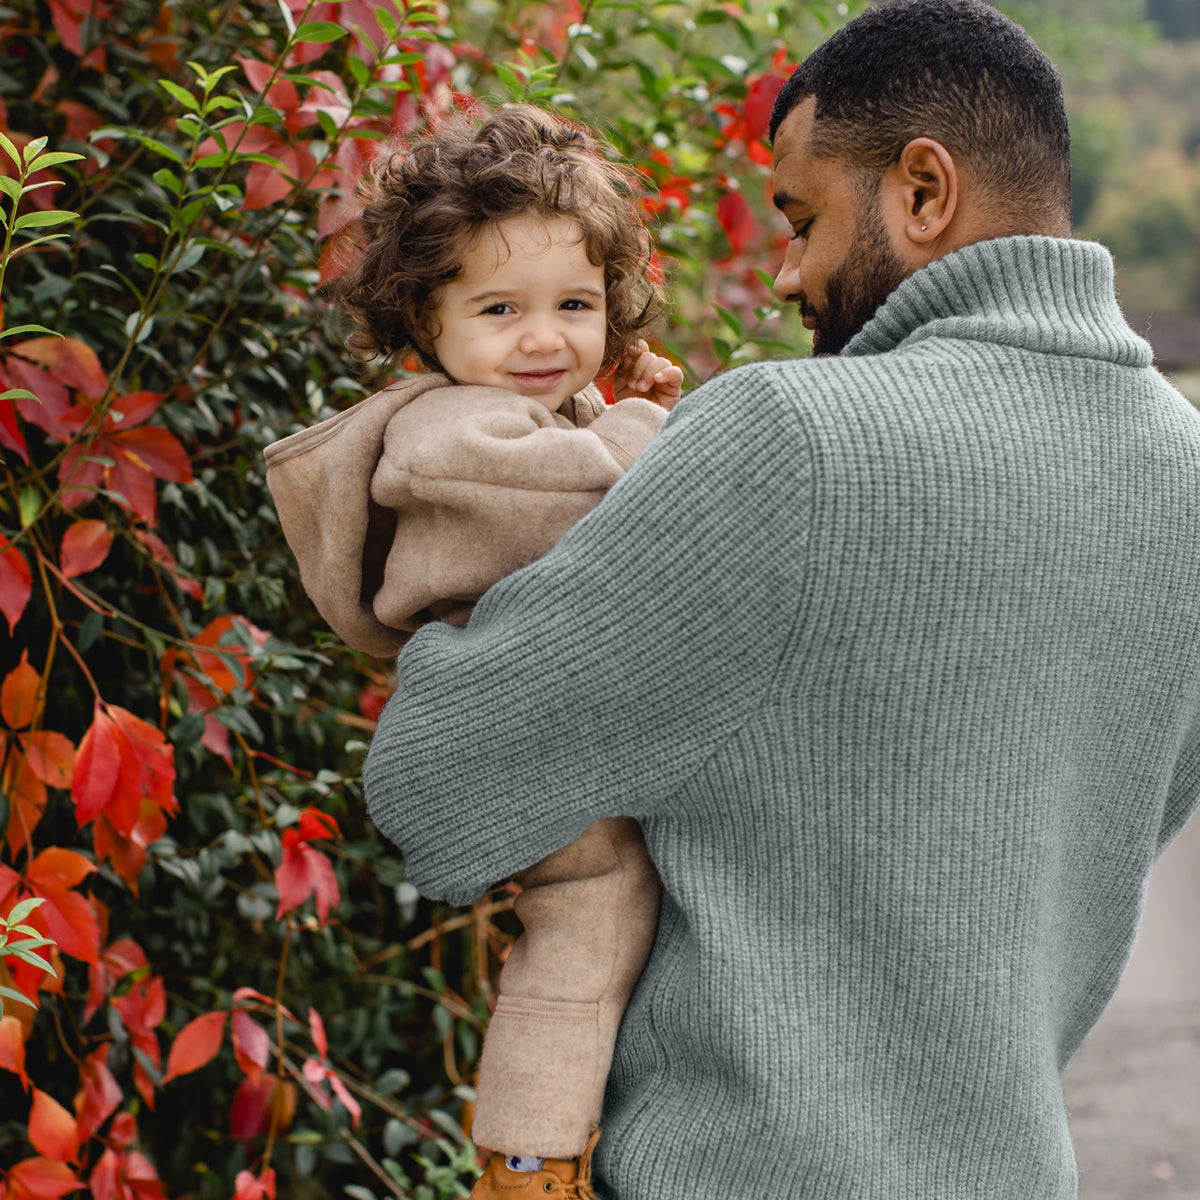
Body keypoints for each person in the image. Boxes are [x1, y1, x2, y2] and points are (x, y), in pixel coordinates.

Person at [361, 1, 1200, 1198]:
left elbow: (433, 786)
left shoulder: (792, 440)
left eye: (803, 218)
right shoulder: (1190, 477)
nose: (793, 274)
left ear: (924, 189)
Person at [263, 106, 682, 1199]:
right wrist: (647, 434)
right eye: (501, 310)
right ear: (426, 325)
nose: (544, 339)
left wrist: (620, 410)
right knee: (589, 924)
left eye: (575, 306)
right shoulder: (448, 429)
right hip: (528, 727)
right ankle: (529, 1161)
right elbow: (585, 503)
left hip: (549, 706)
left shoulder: (516, 411)